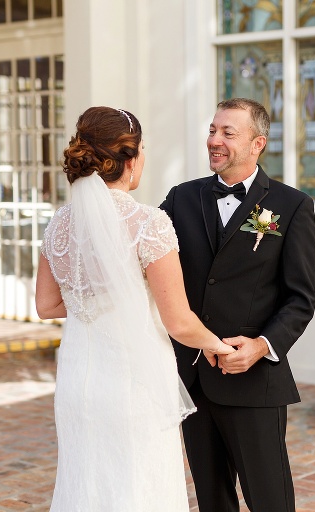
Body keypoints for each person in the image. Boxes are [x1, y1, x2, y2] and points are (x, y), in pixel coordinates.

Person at [35, 106, 234, 512]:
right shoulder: (148, 223)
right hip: (132, 386)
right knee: (139, 490)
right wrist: (221, 346)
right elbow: (178, 321)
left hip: (77, 383)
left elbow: (47, 305)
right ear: (129, 158)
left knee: (85, 487)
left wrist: (99, 303)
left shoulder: (59, 223)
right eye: (142, 148)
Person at [160, 98, 315, 512]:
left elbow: (300, 300)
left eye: (228, 133)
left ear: (257, 143)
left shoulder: (291, 206)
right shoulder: (181, 199)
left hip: (253, 382)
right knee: (212, 500)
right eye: (213, 130)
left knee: (270, 500)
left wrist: (261, 346)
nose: (215, 140)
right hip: (193, 378)